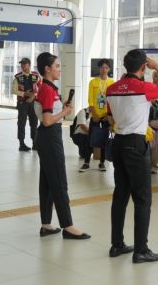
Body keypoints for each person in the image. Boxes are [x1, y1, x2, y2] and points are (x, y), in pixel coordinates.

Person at [106, 49, 158, 263]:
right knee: (142, 199)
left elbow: (110, 116)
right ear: (144, 67)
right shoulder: (144, 88)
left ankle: (116, 244)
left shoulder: (112, 88)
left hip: (118, 142)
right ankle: (141, 250)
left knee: (120, 196)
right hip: (136, 145)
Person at [33, 52, 90, 240]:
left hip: (46, 137)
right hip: (50, 137)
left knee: (48, 181)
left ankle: (46, 224)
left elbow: (48, 113)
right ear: (47, 69)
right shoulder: (48, 89)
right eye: (57, 66)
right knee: (59, 181)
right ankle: (68, 225)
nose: (59, 69)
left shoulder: (48, 87)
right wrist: (65, 111)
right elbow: (48, 120)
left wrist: (61, 107)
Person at [84, 59, 115, 172]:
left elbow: (113, 101)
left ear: (109, 69)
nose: (104, 69)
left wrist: (109, 115)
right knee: (90, 139)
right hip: (95, 116)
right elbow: (91, 100)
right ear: (99, 68)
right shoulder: (93, 82)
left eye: (106, 67)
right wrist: (94, 114)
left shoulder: (112, 82)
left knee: (104, 139)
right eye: (102, 67)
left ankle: (102, 162)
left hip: (106, 116)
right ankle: (86, 162)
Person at [13, 57, 41, 151]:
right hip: (22, 103)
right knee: (21, 123)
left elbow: (41, 87)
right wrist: (24, 94)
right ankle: (21, 144)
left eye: (24, 64)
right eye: (21, 64)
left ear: (29, 65)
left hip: (33, 102)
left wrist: (34, 96)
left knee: (34, 123)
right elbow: (14, 90)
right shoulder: (17, 77)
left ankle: (35, 143)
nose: (22, 66)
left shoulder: (35, 75)